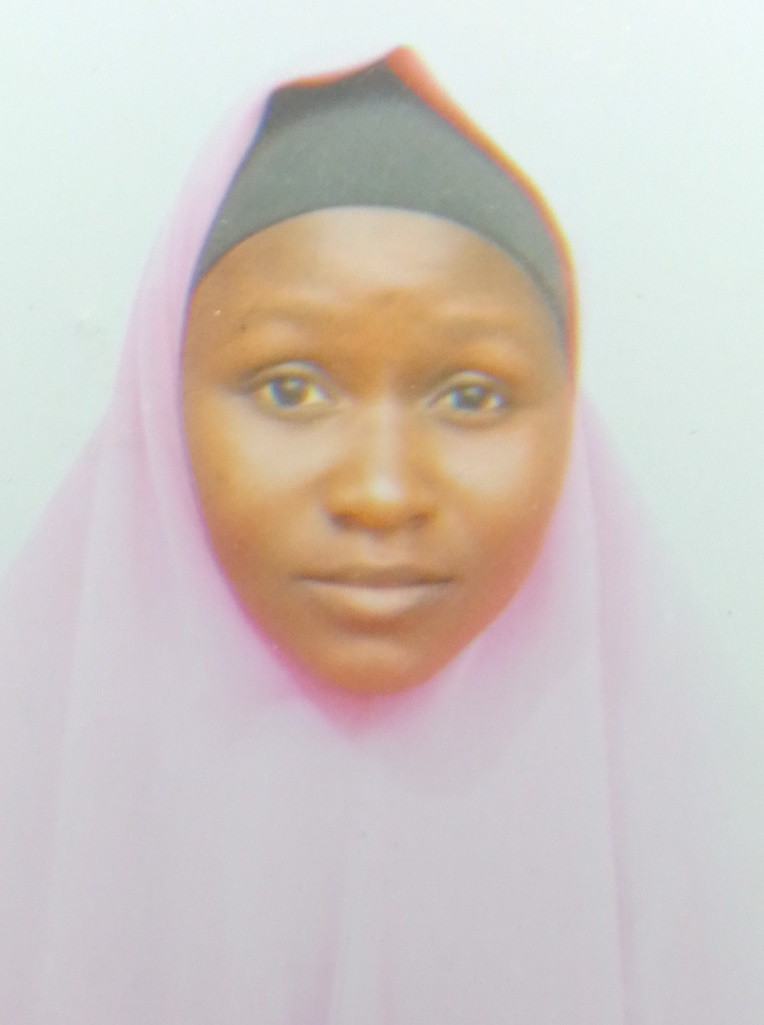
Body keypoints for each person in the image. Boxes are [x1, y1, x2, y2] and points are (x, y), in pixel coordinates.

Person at [0, 46, 761, 1024]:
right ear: (163, 408)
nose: (381, 490)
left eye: (471, 395)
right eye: (291, 387)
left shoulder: (698, 849)